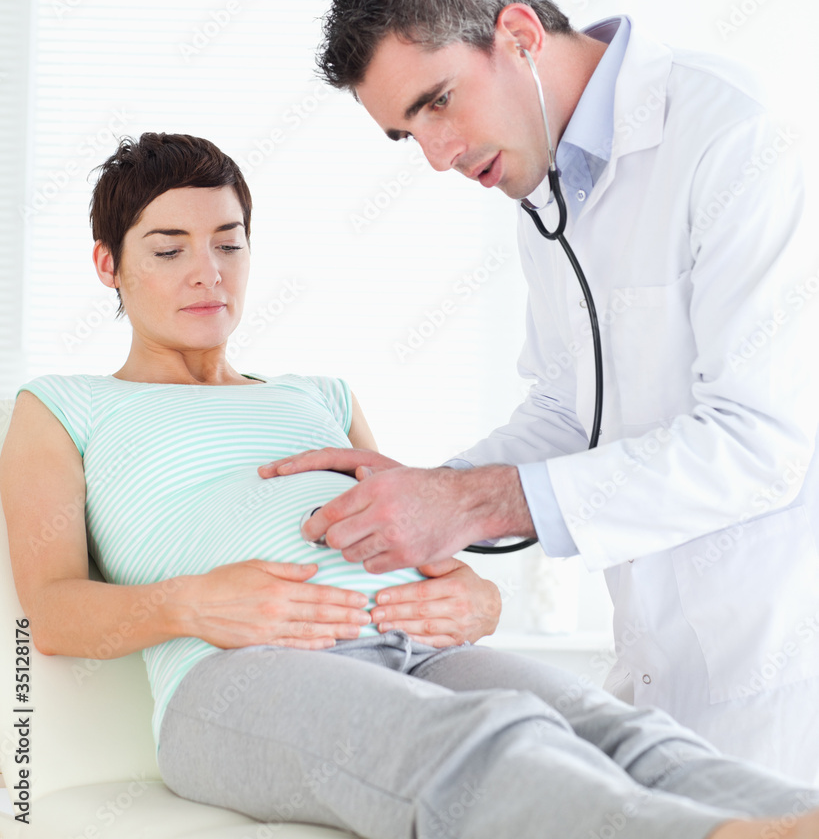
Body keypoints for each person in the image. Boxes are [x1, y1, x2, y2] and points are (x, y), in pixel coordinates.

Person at [3, 131, 819, 839]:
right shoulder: (65, 406)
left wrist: (476, 598)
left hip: (420, 648)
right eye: (169, 248)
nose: (207, 272)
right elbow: (53, 611)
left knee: (617, 732)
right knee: (475, 744)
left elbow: (407, 529)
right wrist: (191, 604)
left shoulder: (319, 396)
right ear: (111, 265)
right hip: (230, 678)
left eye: (229, 241)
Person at [259, 0, 819, 782]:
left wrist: (473, 505)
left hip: (783, 687)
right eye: (407, 133)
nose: (438, 156)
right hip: (664, 689)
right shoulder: (548, 187)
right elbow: (569, 408)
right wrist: (419, 492)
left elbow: (762, 443)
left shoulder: (734, 140)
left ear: (517, 34)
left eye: (438, 102)